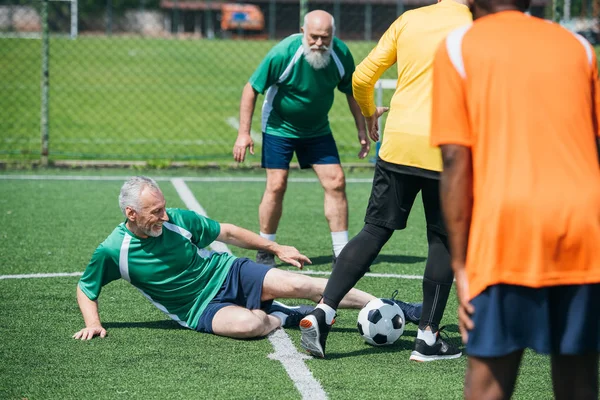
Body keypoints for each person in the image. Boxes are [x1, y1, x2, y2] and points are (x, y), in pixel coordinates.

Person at [430, 0, 600, 397]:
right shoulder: (579, 47)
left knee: (489, 381)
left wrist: (461, 264)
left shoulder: (458, 46)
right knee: (579, 379)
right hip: (584, 227)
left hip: (510, 229)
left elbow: (456, 159)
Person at [299, 0, 472, 360]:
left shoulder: (409, 19)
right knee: (442, 240)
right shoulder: (481, 25)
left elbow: (362, 77)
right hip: (449, 150)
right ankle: (427, 337)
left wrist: (368, 113)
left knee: (375, 229)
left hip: (398, 145)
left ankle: (323, 312)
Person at [72, 176, 418, 340]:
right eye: (154, 212)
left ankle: (399, 309)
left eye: (164, 208)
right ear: (131, 213)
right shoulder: (113, 251)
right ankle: (283, 316)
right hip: (199, 309)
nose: (164, 217)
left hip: (228, 273)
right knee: (250, 326)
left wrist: (276, 248)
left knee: (302, 284)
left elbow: (228, 232)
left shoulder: (178, 220)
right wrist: (93, 323)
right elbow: (87, 288)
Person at [232, 10, 369, 268]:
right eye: (314, 37)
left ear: (333, 35)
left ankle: (342, 253)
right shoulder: (284, 52)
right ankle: (264, 249)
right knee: (277, 184)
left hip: (317, 130)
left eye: (325, 38)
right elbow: (251, 88)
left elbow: (352, 92)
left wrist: (361, 130)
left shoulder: (340, 54)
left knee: (336, 181)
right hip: (279, 127)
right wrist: (243, 133)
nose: (319, 43)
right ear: (303, 32)